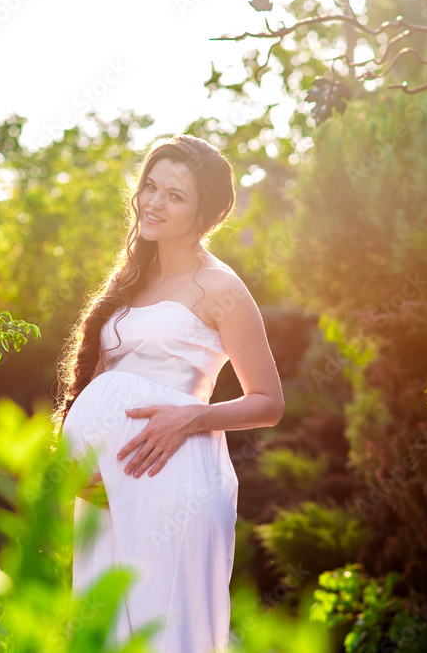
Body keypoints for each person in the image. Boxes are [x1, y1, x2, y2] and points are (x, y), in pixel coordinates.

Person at [55, 134, 283, 652]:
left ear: (205, 215)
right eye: (150, 187)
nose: (154, 203)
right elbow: (98, 382)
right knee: (104, 632)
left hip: (175, 477)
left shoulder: (222, 288)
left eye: (175, 195)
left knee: (168, 632)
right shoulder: (132, 279)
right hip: (108, 489)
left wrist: (189, 418)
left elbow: (269, 402)